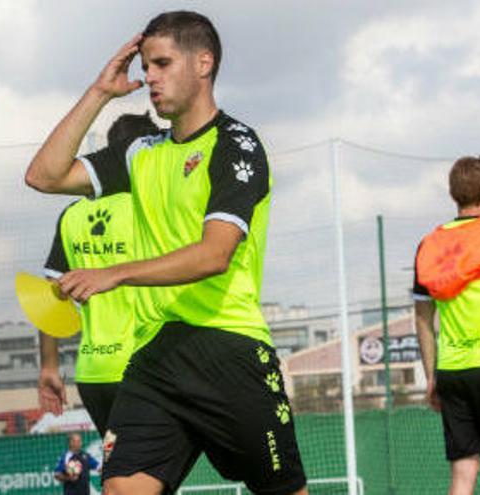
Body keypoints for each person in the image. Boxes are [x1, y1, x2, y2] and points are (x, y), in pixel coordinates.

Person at [25, 10, 307, 495]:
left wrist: (115, 273)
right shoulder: (141, 152)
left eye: (161, 63)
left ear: (203, 63)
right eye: (145, 65)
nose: (149, 77)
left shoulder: (237, 144)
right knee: (119, 488)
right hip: (156, 357)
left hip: (230, 350)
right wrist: (98, 93)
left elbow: (214, 254)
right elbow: (44, 176)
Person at [38, 113, 157, 437]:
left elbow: (51, 297)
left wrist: (49, 366)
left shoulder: (71, 215)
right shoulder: (149, 208)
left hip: (92, 373)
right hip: (142, 368)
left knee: (121, 470)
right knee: (145, 476)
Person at [414, 156, 480, 495]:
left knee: (464, 473)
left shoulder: (428, 245)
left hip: (451, 370)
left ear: (454, 195)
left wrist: (432, 376)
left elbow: (422, 318)